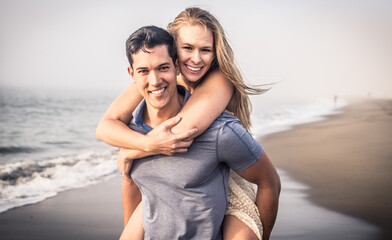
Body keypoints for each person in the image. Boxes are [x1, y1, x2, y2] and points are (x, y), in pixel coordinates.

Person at [96, 8, 279, 240]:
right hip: (173, 180)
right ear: (174, 50)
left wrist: (133, 150)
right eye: (188, 48)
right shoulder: (158, 74)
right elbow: (105, 127)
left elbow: (178, 133)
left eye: (205, 50)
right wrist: (140, 147)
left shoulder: (220, 80)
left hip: (226, 174)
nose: (195, 58)